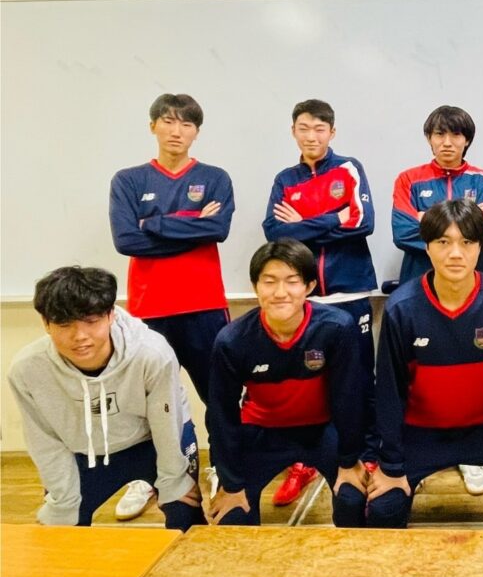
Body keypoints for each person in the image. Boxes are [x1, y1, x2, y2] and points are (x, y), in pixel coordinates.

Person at [366, 200, 483, 529]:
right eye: (443, 242)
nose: (456, 253)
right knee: (384, 507)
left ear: (480, 247)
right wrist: (390, 465)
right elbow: (389, 391)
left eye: (467, 242)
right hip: (421, 429)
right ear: (427, 247)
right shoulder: (402, 308)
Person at [109, 93, 234, 516]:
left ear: (196, 132)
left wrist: (155, 224)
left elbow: (218, 230)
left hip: (204, 305)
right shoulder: (128, 180)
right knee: (147, 402)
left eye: (186, 124)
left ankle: (225, 470)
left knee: (219, 395)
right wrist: (193, 222)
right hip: (150, 309)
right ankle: (150, 478)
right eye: (167, 121)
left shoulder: (214, 178)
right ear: (153, 126)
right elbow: (126, 240)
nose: (176, 131)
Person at [7, 266, 204, 530]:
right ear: (45, 323)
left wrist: (173, 481)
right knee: (61, 529)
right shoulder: (27, 370)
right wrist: (63, 498)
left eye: (91, 322)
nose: (80, 337)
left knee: (184, 514)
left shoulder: (152, 353)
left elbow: (166, 423)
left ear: (111, 315)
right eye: (64, 325)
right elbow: (44, 440)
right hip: (85, 452)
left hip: (152, 441)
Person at [206, 239, 371, 527]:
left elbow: (350, 399)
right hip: (262, 432)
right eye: (269, 282)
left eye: (292, 281)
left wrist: (349, 461)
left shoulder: (337, 328)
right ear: (255, 286)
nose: (280, 293)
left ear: (309, 286)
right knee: (233, 517)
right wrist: (231, 484)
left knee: (353, 497)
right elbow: (221, 415)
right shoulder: (232, 341)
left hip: (321, 430)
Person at [263, 99, 378, 506]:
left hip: (351, 291)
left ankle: (367, 455)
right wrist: (334, 218)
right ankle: (306, 460)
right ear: (293, 131)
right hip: (304, 297)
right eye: (304, 128)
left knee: (359, 377)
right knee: (309, 380)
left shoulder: (348, 169)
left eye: (319, 128)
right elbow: (275, 232)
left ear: (332, 132)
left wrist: (304, 225)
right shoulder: (285, 179)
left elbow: (362, 221)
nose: (311, 136)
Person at [391, 104, 483, 496]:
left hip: (473, 290)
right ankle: (413, 452)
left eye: (455, 134)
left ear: (467, 140)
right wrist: (452, 233)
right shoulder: (408, 180)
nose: (447, 142)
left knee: (471, 367)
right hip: (418, 288)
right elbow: (402, 232)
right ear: (429, 138)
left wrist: (429, 224)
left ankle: (471, 453)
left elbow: (480, 232)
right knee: (415, 371)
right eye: (439, 134)